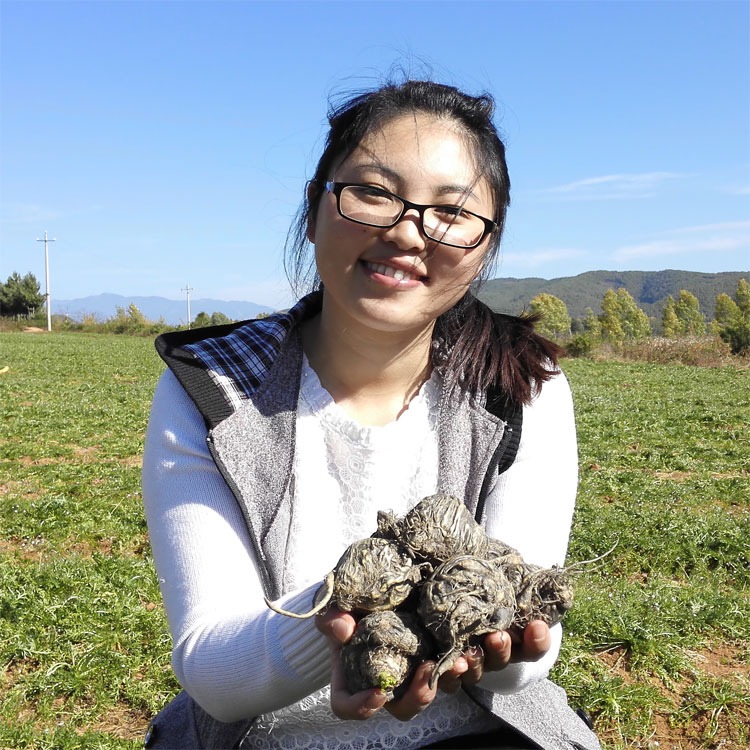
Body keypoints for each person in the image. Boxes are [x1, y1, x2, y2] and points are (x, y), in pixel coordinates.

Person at [141, 78, 600, 750]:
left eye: (451, 212)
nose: (407, 231)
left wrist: (490, 641)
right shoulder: (211, 387)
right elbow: (215, 670)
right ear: (314, 206)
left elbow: (521, 662)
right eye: (375, 193)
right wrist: (346, 613)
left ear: (487, 244)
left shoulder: (526, 384)